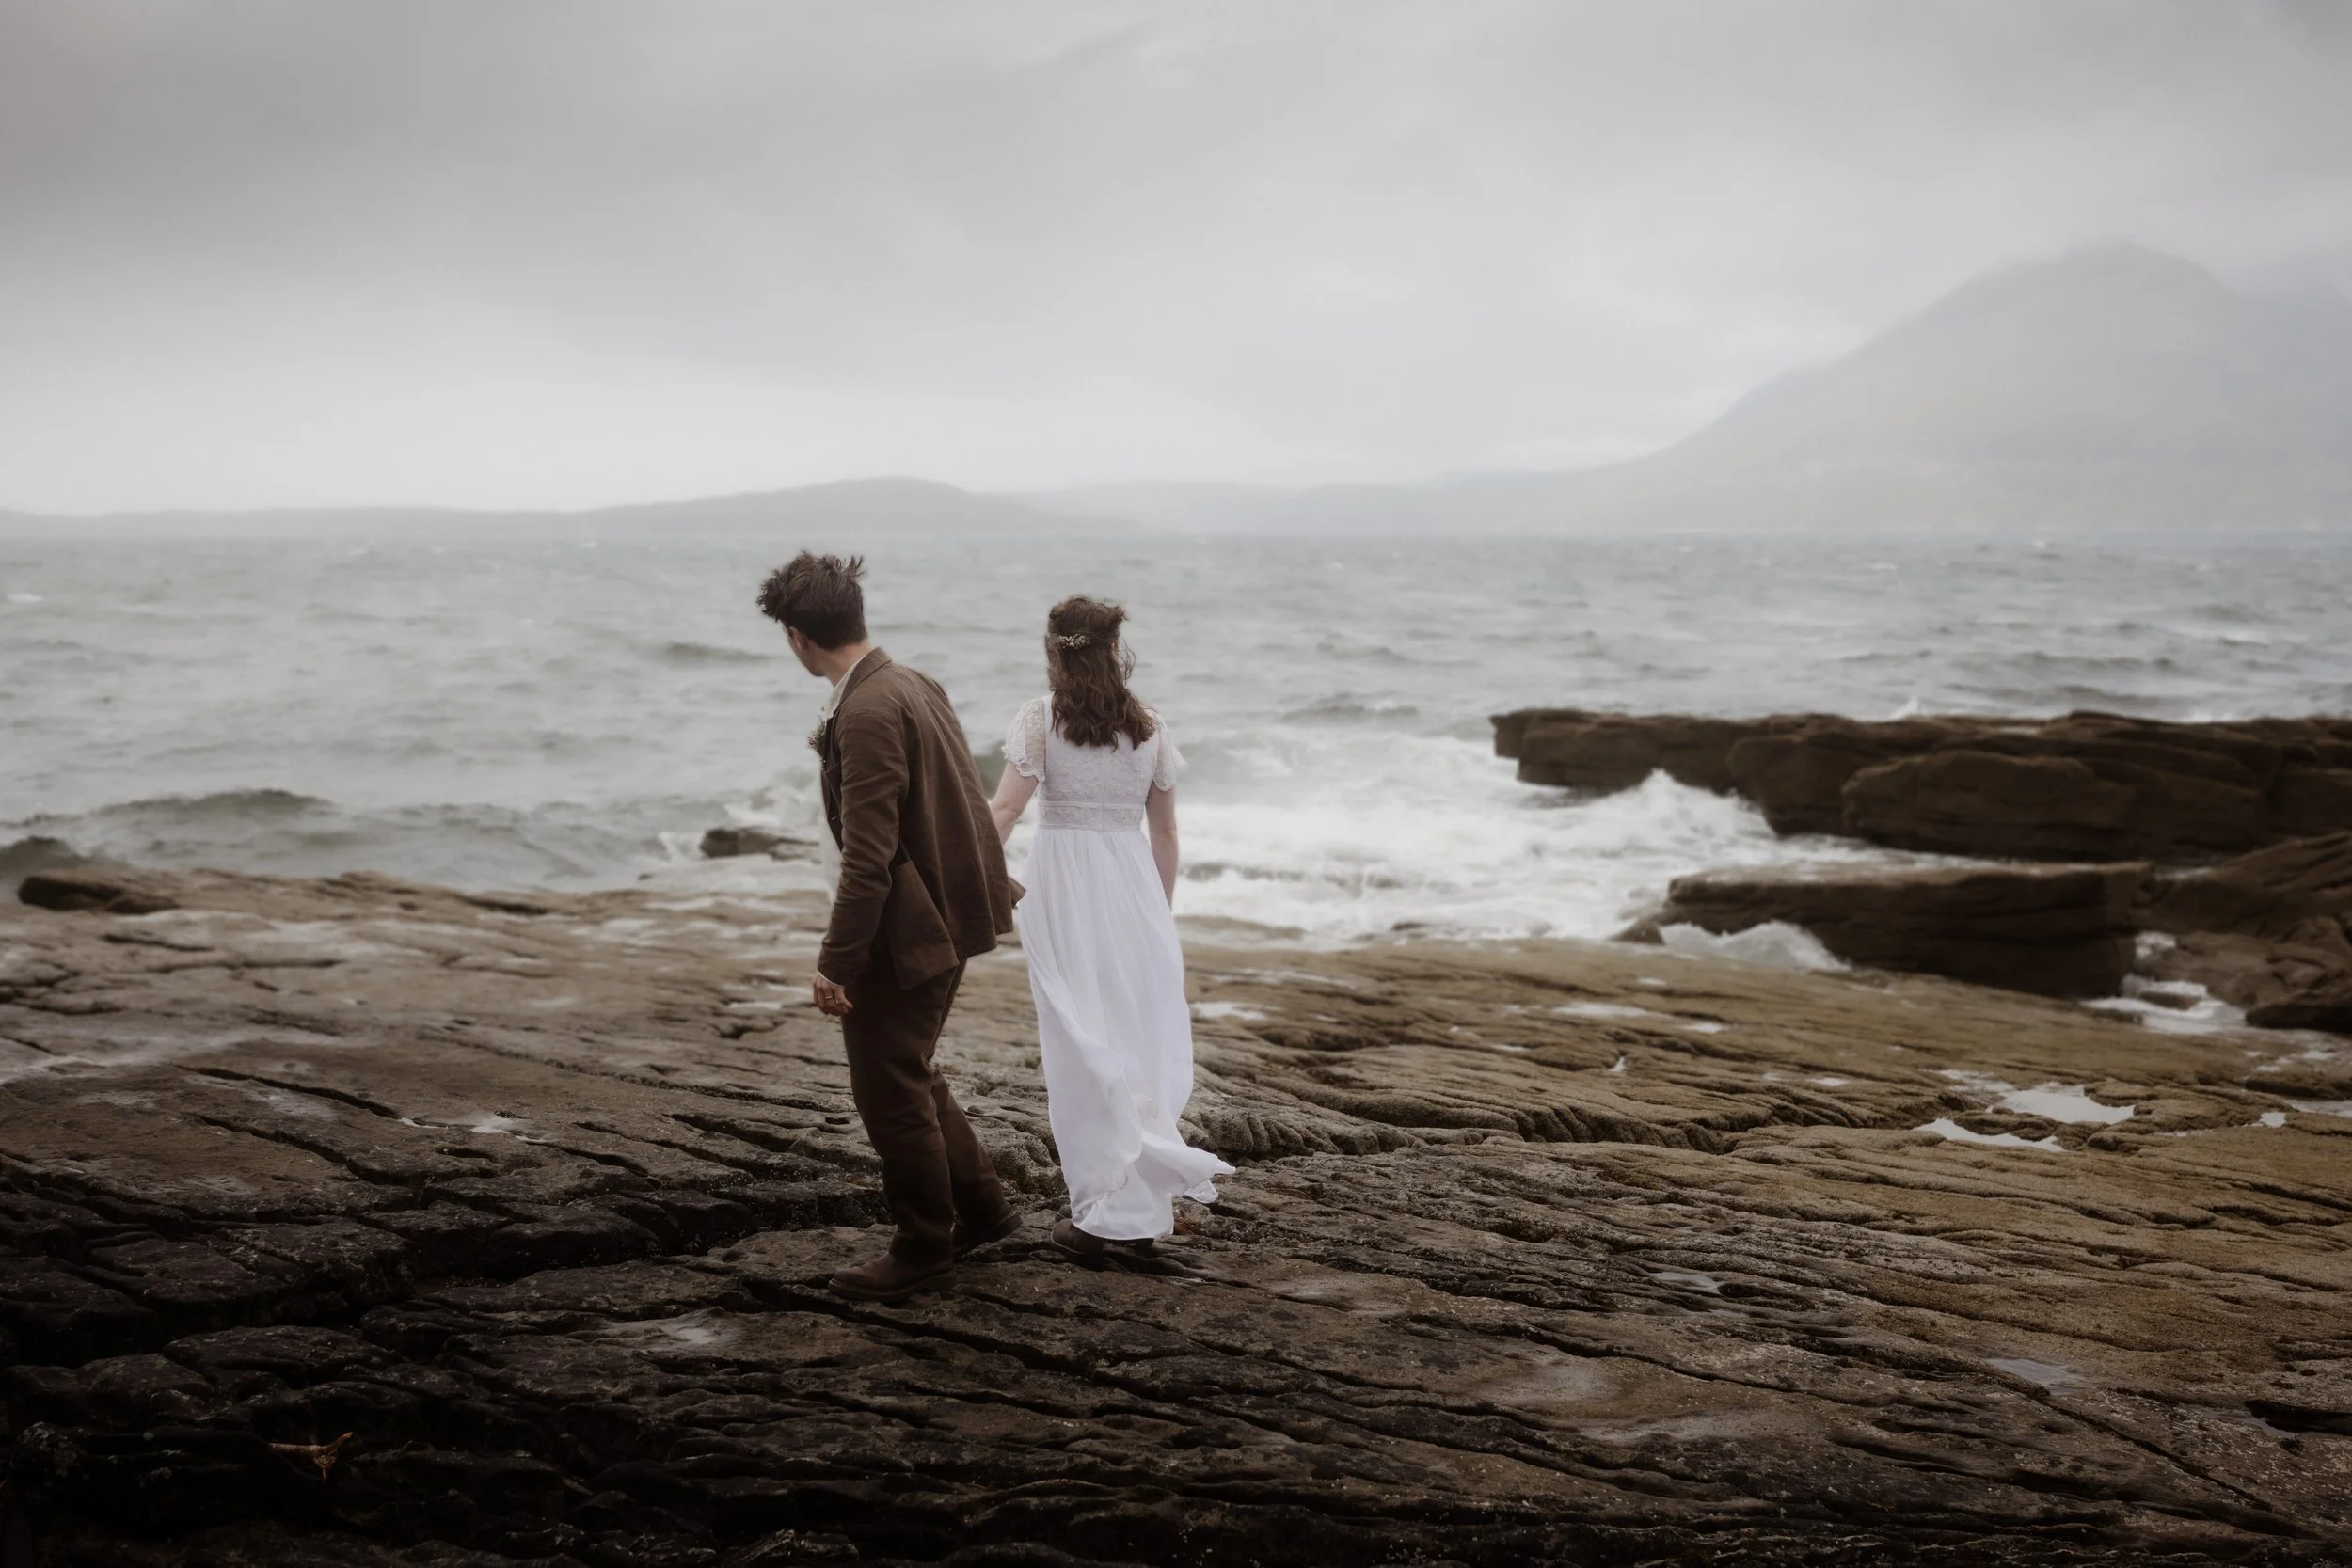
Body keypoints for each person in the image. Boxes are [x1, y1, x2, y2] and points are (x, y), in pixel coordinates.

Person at [758, 552, 1024, 1302]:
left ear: (797, 636)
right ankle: (985, 1209)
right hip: (948, 908)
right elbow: (962, 799)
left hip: (911, 927)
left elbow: (869, 859)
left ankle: (922, 1244)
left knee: (886, 1087)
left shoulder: (870, 709)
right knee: (910, 1067)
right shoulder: (907, 680)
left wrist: (835, 962)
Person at [989, 595, 1232, 1265]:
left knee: (1077, 1043)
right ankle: (1134, 1204)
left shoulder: (1039, 720)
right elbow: (1167, 833)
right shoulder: (1151, 727)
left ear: (1055, 649)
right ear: (1114, 648)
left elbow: (1005, 810)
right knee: (1128, 1039)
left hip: (1063, 888)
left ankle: (1106, 1209)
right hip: (1133, 891)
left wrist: (959, 875)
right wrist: (1160, 914)